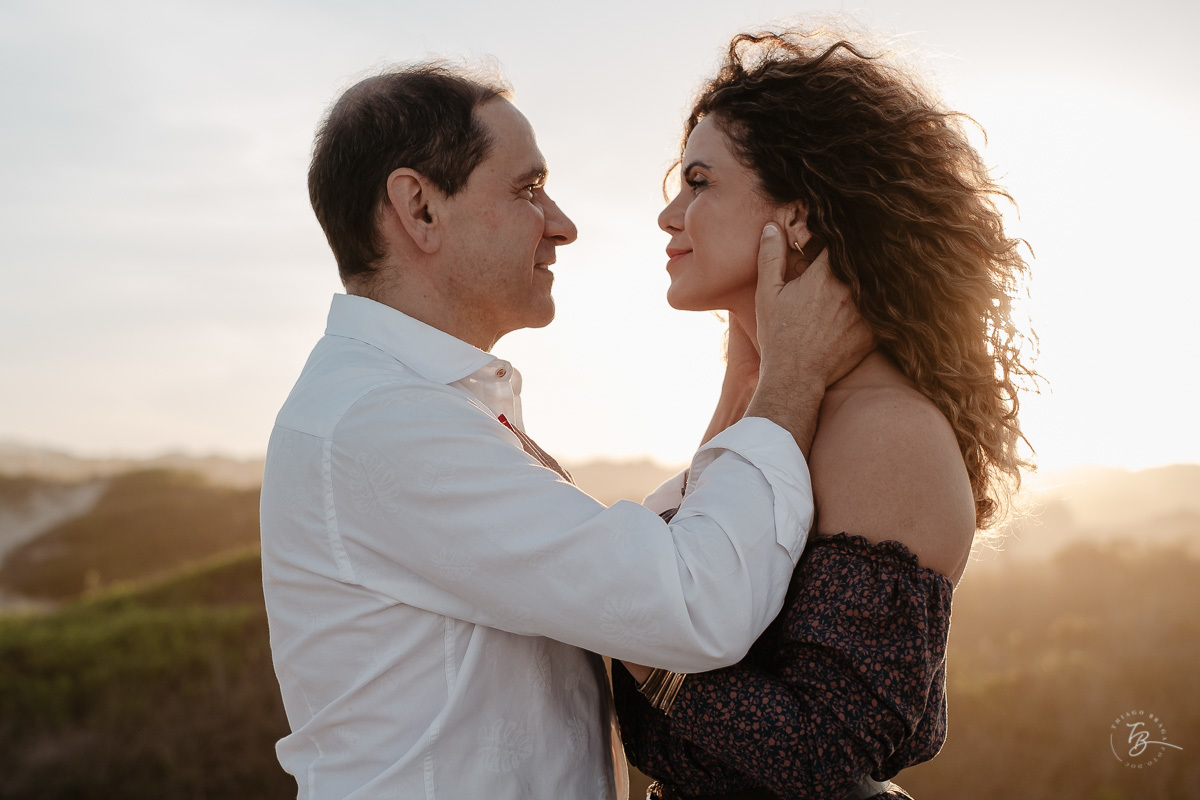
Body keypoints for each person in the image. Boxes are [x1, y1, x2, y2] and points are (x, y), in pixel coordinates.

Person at [259, 63, 871, 798]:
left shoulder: (409, 401)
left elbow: (615, 564)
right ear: (419, 209)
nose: (563, 225)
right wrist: (793, 380)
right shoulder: (383, 420)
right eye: (527, 190)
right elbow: (695, 605)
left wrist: (746, 385)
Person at [612, 29, 1038, 800]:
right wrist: (753, 367)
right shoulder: (775, 405)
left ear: (798, 216)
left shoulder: (888, 432)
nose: (669, 215)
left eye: (700, 183)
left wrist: (635, 639)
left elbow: (823, 752)